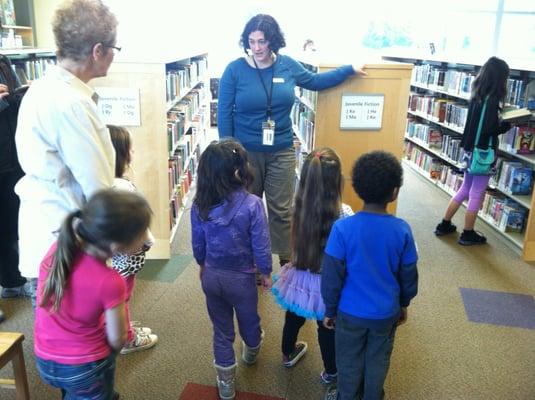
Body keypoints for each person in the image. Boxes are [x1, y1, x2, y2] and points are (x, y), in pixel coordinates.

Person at [218, 14, 366, 267]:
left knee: (282, 209)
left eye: (262, 41)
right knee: (246, 208)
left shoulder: (287, 65)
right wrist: (228, 153)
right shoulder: (234, 70)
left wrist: (348, 70)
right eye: (251, 42)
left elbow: (315, 82)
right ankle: (250, 261)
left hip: (281, 150)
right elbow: (224, 112)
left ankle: (287, 262)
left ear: (273, 41)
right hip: (245, 153)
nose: (256, 48)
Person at [15, 0, 119, 307]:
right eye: (114, 48)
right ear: (98, 50)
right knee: (79, 344)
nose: (114, 55)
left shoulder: (42, 88)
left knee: (53, 340)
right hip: (65, 237)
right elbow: (97, 187)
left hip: (46, 231)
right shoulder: (72, 104)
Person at [35, 189, 152, 400]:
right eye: (143, 233)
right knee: (93, 386)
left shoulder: (58, 249)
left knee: (75, 391)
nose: (145, 238)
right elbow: (118, 339)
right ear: (117, 246)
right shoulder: (110, 280)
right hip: (83, 366)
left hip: (45, 358)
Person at [321, 151, 418, 400]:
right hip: (386, 313)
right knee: (378, 361)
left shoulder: (342, 229)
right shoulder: (402, 230)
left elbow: (332, 276)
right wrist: (404, 303)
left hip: (349, 312)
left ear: (358, 188)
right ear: (395, 191)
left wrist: (330, 310)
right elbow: (409, 274)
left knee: (348, 360)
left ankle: (346, 395)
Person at [191, 138, 272, 400]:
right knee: (249, 320)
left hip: (212, 276)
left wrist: (202, 264)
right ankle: (251, 350)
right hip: (243, 280)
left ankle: (226, 385)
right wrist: (266, 271)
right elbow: (261, 244)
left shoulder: (199, 206)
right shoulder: (252, 205)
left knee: (222, 330)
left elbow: (197, 242)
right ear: (238, 172)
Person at [271, 148, 353, 385]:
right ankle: (331, 372)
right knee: (327, 327)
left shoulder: (297, 208)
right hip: (328, 282)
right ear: (338, 180)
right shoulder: (344, 213)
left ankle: (287, 352)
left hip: (299, 275)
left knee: (294, 314)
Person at [434, 57, 511, 245]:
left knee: (465, 188)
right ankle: (468, 233)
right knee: (476, 193)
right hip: (483, 154)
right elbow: (489, 129)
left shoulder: (476, 94)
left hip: (469, 150)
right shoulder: (492, 100)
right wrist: (505, 126)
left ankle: (444, 224)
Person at [108, 125, 158, 354]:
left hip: (113, 254)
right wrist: (149, 242)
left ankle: (122, 325)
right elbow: (139, 224)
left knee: (118, 294)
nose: (133, 153)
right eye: (131, 148)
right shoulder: (124, 187)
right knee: (123, 295)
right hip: (128, 254)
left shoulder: (105, 182)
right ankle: (126, 337)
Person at [0, 54, 31, 317]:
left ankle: (12, 282)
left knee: (12, 224)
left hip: (12, 157)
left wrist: (23, 97)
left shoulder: (3, 61)